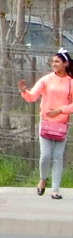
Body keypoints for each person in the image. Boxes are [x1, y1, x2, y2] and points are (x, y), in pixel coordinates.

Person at [18, 49, 72, 200]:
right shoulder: (46, 79)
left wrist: (61, 110)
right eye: (53, 61)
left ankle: (55, 189)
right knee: (45, 155)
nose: (54, 64)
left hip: (61, 124)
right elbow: (32, 96)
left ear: (65, 63)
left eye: (57, 61)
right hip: (46, 122)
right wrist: (24, 91)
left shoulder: (70, 81)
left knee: (58, 157)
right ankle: (43, 179)